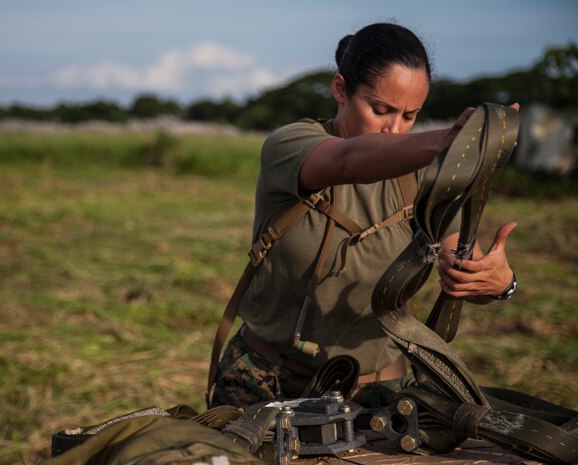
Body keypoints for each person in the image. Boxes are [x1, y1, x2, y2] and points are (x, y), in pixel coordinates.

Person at [209, 23, 518, 409]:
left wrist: (495, 281)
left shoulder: (426, 176)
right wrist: (446, 143)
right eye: (380, 109)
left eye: (410, 115)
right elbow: (349, 160)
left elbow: (460, 257)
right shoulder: (290, 146)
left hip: (378, 396)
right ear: (340, 89)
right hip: (263, 381)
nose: (394, 129)